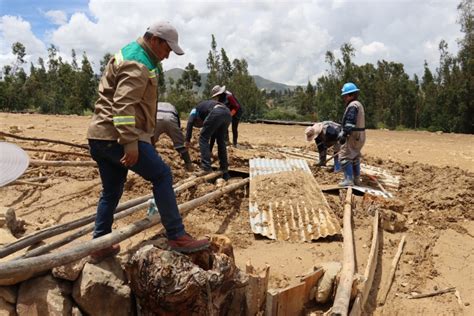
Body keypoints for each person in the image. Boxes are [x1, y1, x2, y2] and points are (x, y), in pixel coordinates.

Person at [86, 21, 209, 262]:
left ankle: (100, 243)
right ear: (155, 40)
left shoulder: (134, 54)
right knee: (162, 174)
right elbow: (123, 105)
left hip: (101, 136)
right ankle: (176, 234)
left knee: (111, 191)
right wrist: (130, 142)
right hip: (117, 136)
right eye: (167, 49)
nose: (167, 56)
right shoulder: (138, 62)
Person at [184, 99, 232, 180]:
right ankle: (224, 168)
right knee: (220, 141)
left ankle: (206, 167)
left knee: (202, 137)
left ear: (197, 119)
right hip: (227, 113)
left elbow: (190, 122)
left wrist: (187, 140)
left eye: (198, 124)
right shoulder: (207, 111)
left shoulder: (194, 110)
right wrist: (209, 150)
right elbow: (212, 135)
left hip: (218, 111)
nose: (201, 125)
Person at [337, 82, 366, 187]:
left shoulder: (353, 106)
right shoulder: (359, 105)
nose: (344, 98)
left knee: (344, 156)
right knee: (355, 156)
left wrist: (344, 134)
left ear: (351, 95)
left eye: (345, 96)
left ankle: (349, 179)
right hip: (360, 135)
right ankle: (356, 179)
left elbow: (350, 122)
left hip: (353, 135)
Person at [154, 102, 193, 171]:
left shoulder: (156, 104)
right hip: (171, 119)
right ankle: (188, 164)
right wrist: (178, 134)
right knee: (181, 144)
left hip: (157, 118)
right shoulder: (172, 106)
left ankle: (151, 163)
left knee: (150, 143)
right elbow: (178, 121)